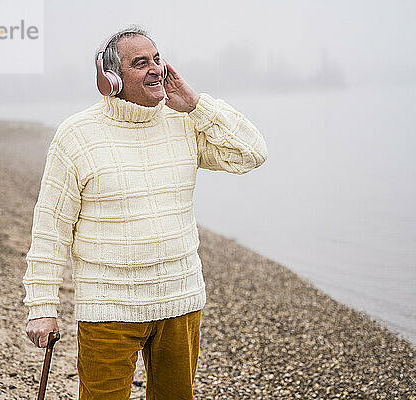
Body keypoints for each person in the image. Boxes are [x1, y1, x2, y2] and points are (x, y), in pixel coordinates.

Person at [23, 26, 268, 399]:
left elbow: (251, 153)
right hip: (108, 309)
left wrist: (197, 104)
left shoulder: (184, 121)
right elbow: (51, 228)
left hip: (180, 300)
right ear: (111, 80)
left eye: (157, 59)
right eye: (141, 63)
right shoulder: (76, 135)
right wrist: (42, 306)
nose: (156, 69)